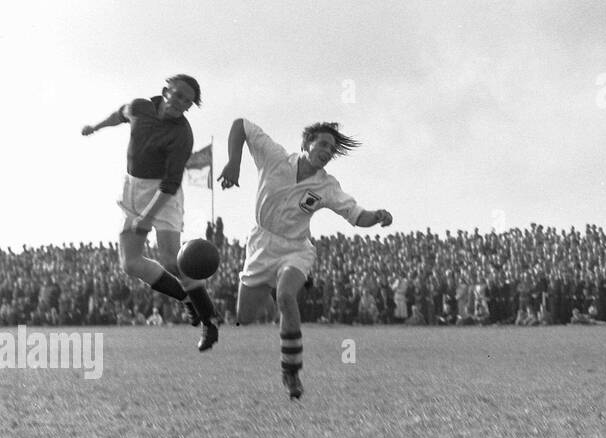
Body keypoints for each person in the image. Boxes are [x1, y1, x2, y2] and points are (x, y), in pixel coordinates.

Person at [219, 119, 392, 400]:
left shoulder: (327, 186)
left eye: (331, 149)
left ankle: (291, 372)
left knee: (287, 297)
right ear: (306, 144)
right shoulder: (274, 157)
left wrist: (377, 216)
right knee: (244, 317)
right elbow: (240, 125)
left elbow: (355, 215)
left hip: (296, 248)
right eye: (322, 143)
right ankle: (271, 290)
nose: (327, 151)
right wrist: (234, 163)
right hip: (261, 245)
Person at [82, 74, 220, 350]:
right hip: (133, 187)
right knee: (130, 263)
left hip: (164, 195)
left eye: (188, 102)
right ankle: (187, 299)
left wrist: (147, 217)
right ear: (165, 91)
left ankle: (209, 322)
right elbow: (120, 114)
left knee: (172, 260)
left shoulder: (182, 134)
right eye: (178, 95)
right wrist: (96, 127)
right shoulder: (140, 107)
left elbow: (170, 183)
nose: (181, 103)